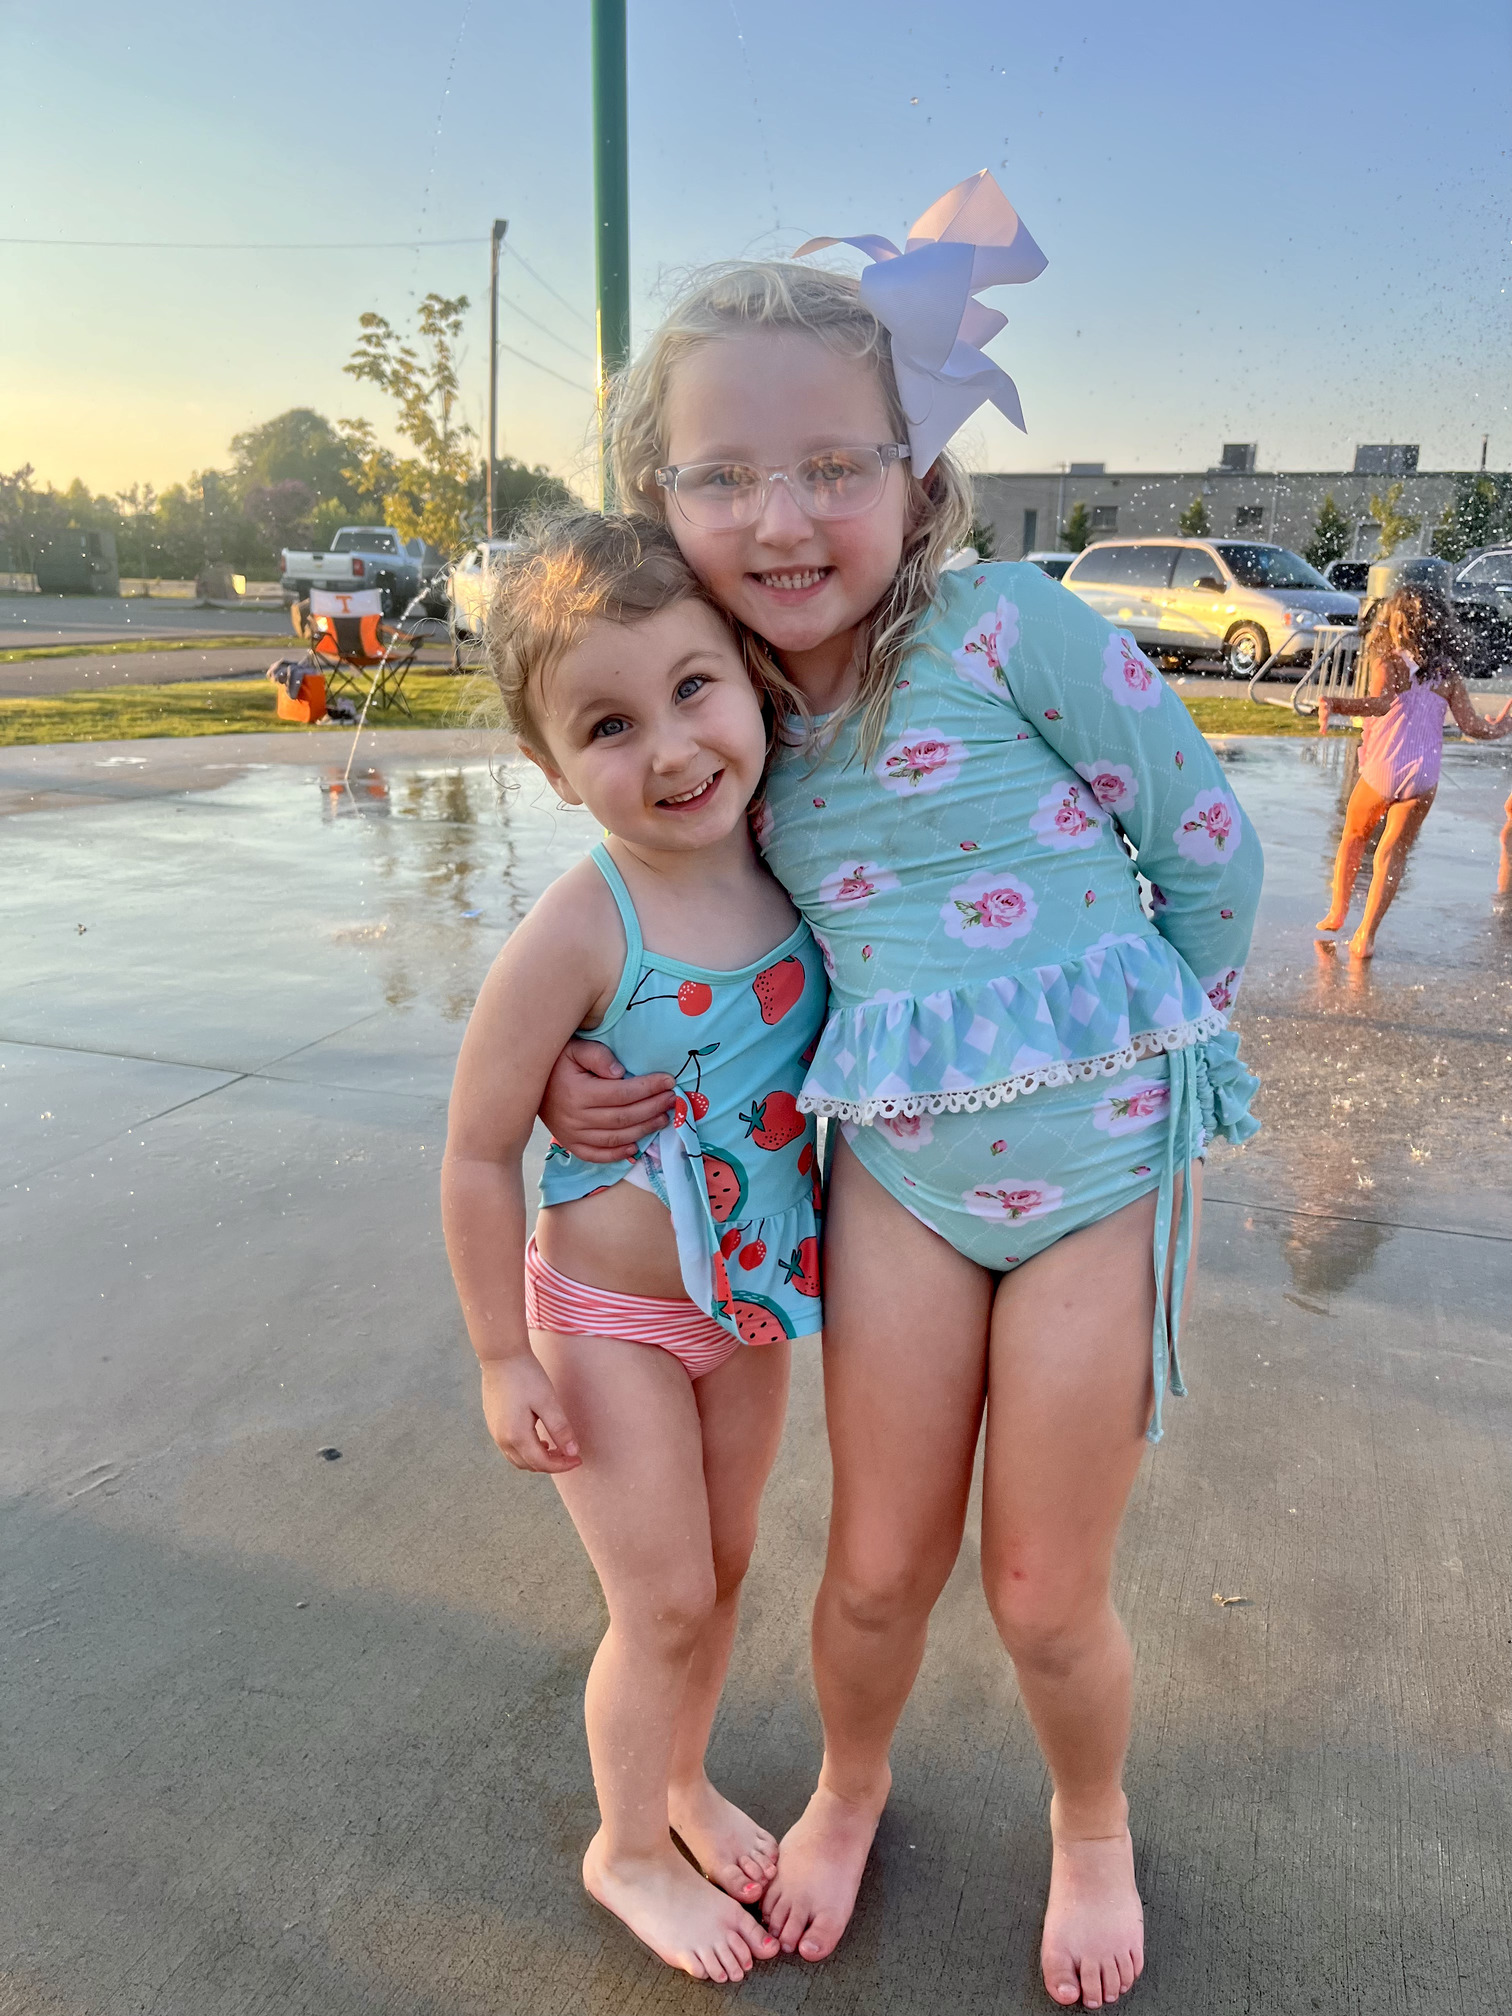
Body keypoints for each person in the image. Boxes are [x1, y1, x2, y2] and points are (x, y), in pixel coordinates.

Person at [537, 173, 1264, 2011]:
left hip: (1099, 1163)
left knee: (1038, 1588)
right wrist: (567, 1045)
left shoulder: (1015, 629)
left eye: (834, 465)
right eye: (722, 477)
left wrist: (1150, 1034)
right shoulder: (726, 718)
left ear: (918, 476)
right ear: (658, 506)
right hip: (904, 1185)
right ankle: (848, 1784)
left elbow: (1205, 848)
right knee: (870, 1576)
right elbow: (671, 914)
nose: (782, 518)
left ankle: (1085, 1819)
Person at [440, 513, 827, 1984]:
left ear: (752, 679)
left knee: (720, 1578)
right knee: (657, 1597)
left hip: (748, 1313)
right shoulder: (582, 925)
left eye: (692, 689)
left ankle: (679, 1784)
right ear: (549, 769)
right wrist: (497, 1356)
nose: (668, 750)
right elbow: (477, 1150)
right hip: (607, 1315)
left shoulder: (799, 860)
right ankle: (622, 1849)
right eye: (608, 724)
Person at [1317, 582, 1512, 958]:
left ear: (1397, 623)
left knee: (1355, 837)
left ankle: (1337, 913)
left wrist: (1334, 703)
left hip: (1382, 768)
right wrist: (1503, 725)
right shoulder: (1448, 676)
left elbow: (1379, 704)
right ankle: (1366, 936)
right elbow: (1474, 728)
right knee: (1392, 853)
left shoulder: (1388, 662)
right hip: (1423, 775)